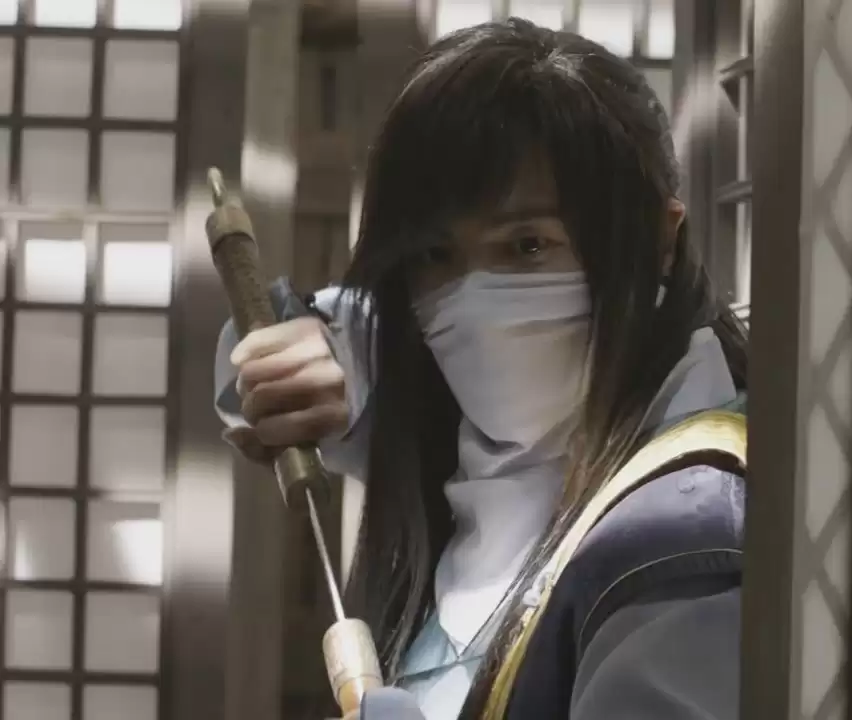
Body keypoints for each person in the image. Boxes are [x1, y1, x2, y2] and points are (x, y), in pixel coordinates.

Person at [214, 18, 749, 720]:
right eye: (434, 255)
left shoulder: (683, 543)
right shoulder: (457, 426)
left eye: (528, 246)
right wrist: (313, 353)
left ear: (658, 239)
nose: (473, 302)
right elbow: (264, 356)